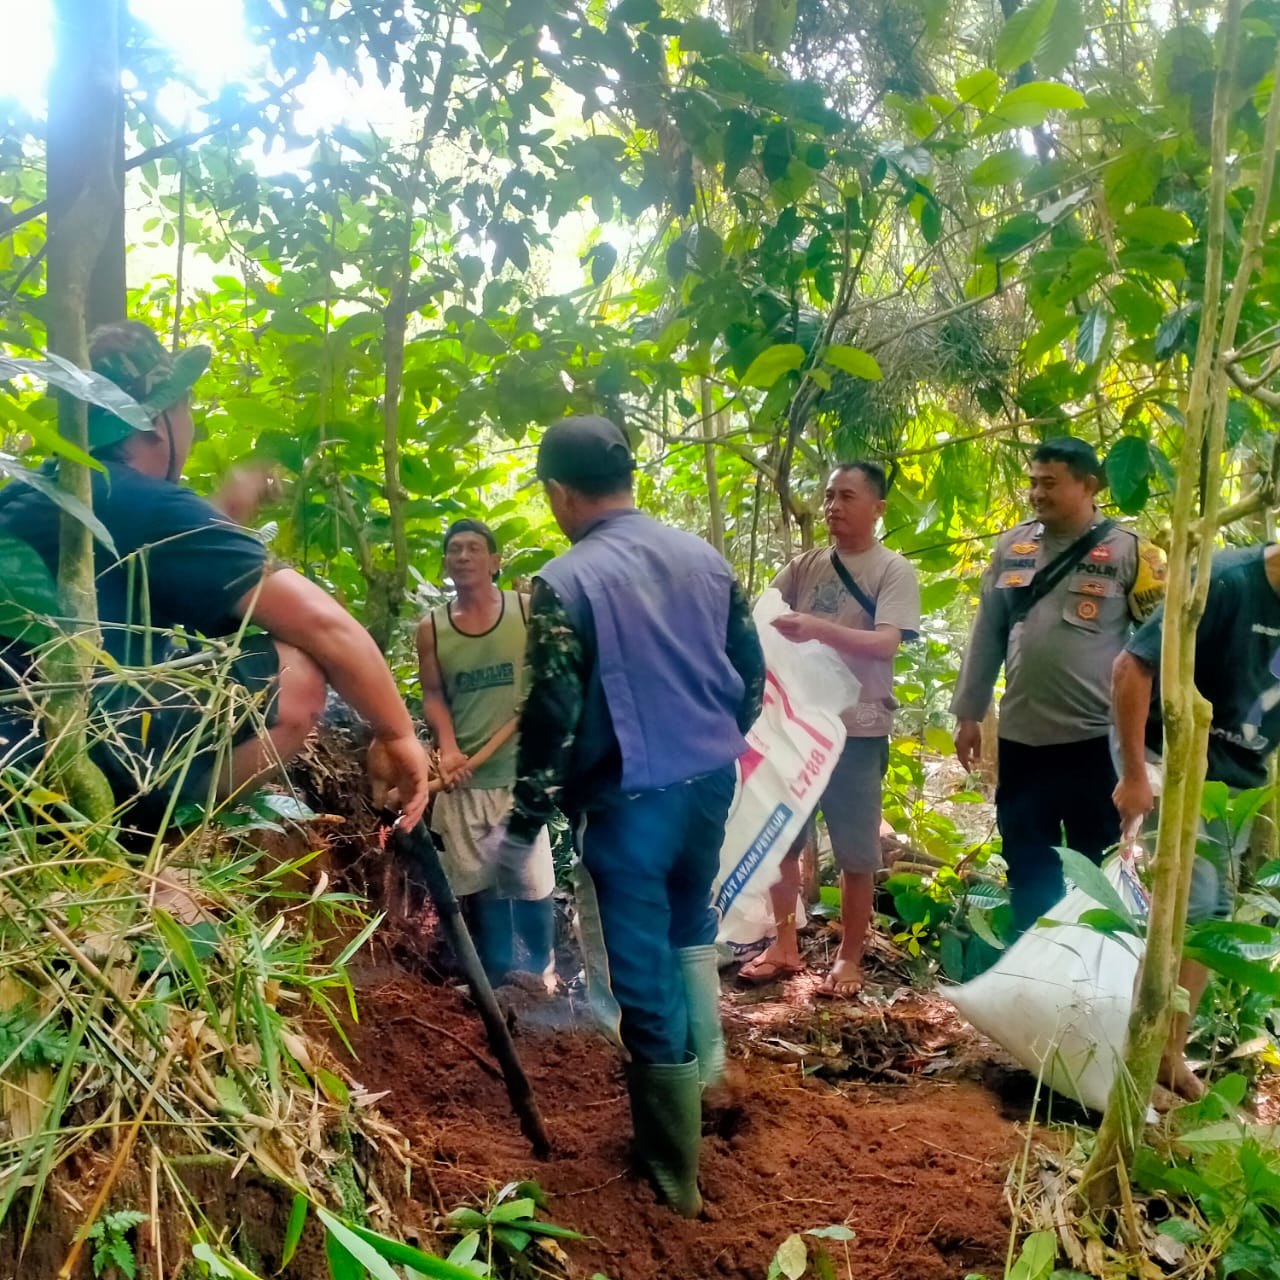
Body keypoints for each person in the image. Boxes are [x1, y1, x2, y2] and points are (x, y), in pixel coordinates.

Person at [490, 416, 765, 1217]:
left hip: (629, 801)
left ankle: (674, 1177)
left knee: (641, 978)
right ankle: (707, 1074)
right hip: (709, 783)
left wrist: (522, 824)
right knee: (691, 925)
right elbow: (749, 674)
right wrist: (713, 746)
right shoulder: (702, 557)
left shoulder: (563, 583)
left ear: (557, 493)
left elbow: (552, 715)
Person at [0, 320, 429, 830]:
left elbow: (139, 549)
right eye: (186, 408)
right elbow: (326, 626)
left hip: (19, 764)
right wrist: (397, 734)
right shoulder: (145, 502)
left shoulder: (34, 493)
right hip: (85, 769)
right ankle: (167, 833)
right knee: (297, 675)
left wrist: (221, 510)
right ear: (159, 419)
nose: (192, 425)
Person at [950, 437, 1166, 935]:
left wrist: (1148, 751)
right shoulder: (1013, 547)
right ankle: (1033, 971)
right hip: (1023, 741)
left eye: (1049, 483)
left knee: (1100, 867)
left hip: (1095, 743)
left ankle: (1094, 973)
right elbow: (988, 632)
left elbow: (1159, 652)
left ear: (1088, 485)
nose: (1036, 493)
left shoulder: (1131, 553)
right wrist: (968, 713)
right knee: (1028, 863)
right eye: (1032, 482)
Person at [739, 462, 921, 997]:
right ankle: (785, 943)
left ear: (878, 507)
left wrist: (816, 628)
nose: (833, 507)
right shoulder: (805, 566)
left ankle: (848, 957)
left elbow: (887, 643)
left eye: (846, 496)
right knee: (783, 840)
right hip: (797, 726)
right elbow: (761, 618)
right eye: (827, 496)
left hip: (857, 730)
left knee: (856, 850)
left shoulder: (892, 571)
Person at [1113, 543, 1280, 1099]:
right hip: (1173, 754)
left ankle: (1168, 1053)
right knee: (1184, 903)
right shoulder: (1226, 582)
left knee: (1206, 913)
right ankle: (1140, 1058)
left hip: (1238, 774)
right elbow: (1132, 667)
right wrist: (1135, 774)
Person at [415, 519, 556, 991]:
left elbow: (552, 675)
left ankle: (541, 975)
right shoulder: (432, 628)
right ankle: (498, 981)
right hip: (464, 779)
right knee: (485, 887)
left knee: (532, 884)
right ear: (445, 563)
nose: (463, 556)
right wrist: (449, 748)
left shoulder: (525, 610)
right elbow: (434, 695)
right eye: (454, 549)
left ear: (496, 562)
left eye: (475, 548)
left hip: (520, 776)